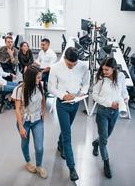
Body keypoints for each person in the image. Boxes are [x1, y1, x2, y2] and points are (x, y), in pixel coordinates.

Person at [48, 47, 90, 181]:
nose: (72, 66)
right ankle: (72, 168)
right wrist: (63, 95)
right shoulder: (55, 68)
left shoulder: (82, 65)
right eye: (69, 64)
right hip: (62, 105)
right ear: (65, 58)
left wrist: (83, 91)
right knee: (68, 135)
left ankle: (60, 144)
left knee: (67, 129)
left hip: (76, 103)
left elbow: (87, 81)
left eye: (74, 64)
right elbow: (51, 88)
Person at [91, 57, 129, 179]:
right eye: (103, 69)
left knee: (106, 136)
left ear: (114, 69)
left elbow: (123, 91)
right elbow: (95, 96)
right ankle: (106, 163)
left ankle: (96, 143)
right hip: (103, 111)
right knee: (105, 140)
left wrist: (126, 97)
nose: (104, 72)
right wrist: (109, 103)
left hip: (115, 112)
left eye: (107, 70)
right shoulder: (101, 79)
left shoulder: (121, 77)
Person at [12, 65, 48, 179]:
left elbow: (43, 99)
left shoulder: (39, 85)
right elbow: (17, 109)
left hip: (37, 120)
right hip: (24, 121)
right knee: (25, 143)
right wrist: (21, 127)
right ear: (31, 78)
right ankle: (28, 161)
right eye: (38, 78)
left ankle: (39, 166)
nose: (40, 80)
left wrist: (43, 111)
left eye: (40, 77)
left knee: (39, 147)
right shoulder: (19, 89)